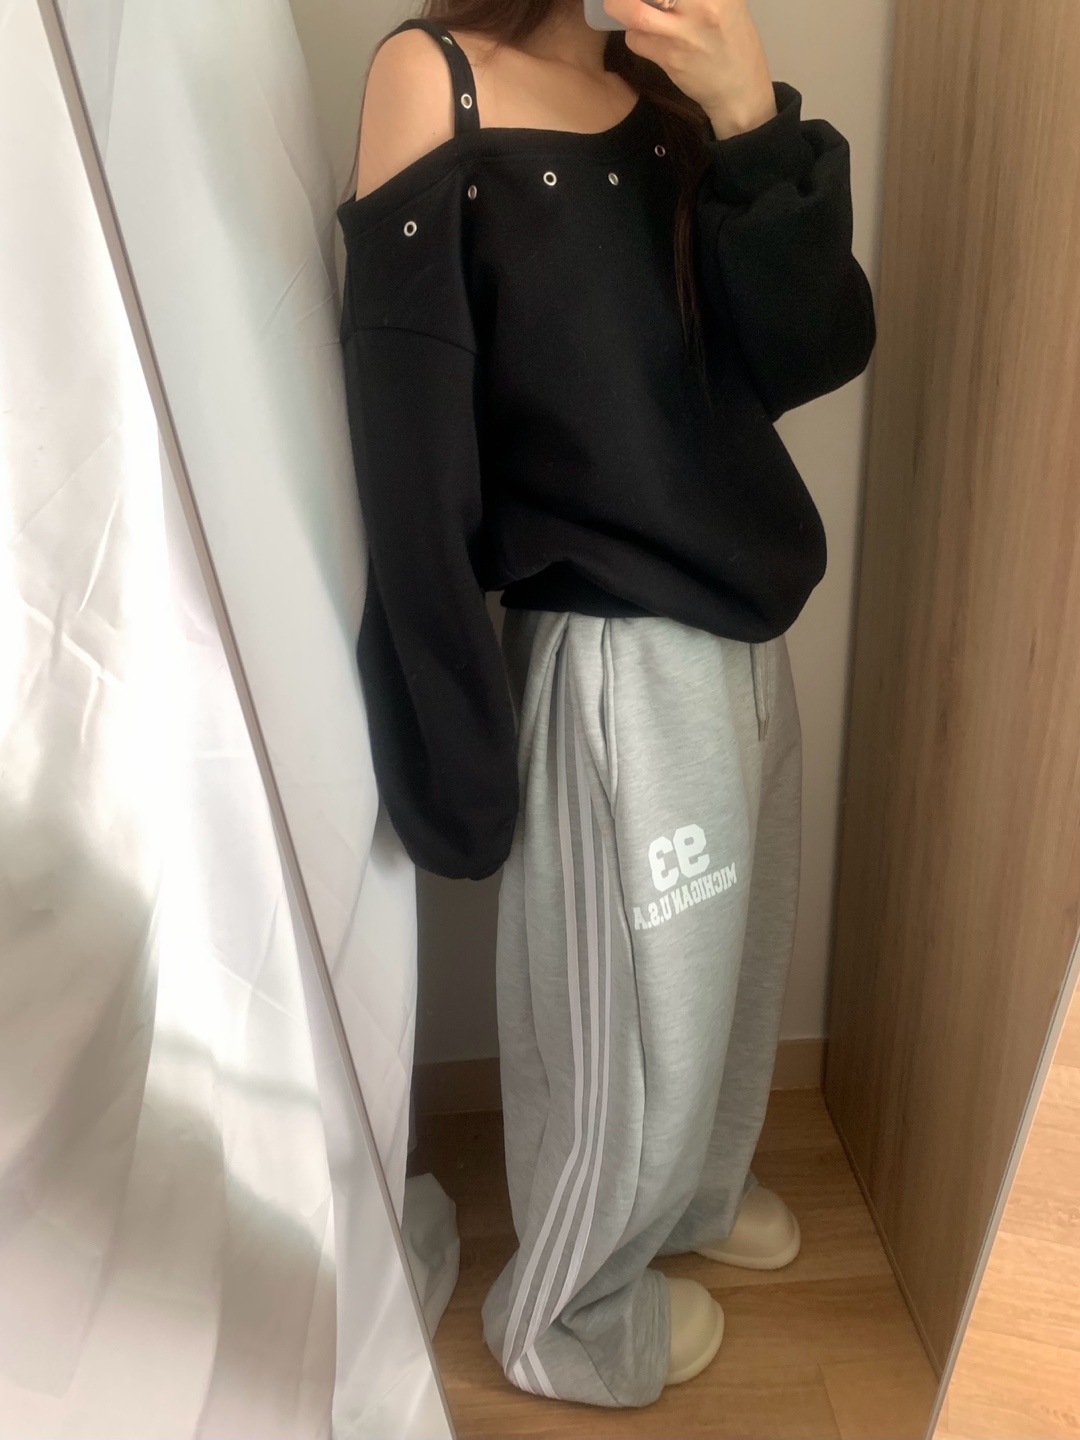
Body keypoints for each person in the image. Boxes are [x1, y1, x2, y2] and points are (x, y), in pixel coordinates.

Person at [337, 0, 875, 1409]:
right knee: (632, 1025)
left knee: (730, 982)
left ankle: (692, 1200)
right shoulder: (435, 80)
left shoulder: (685, 92)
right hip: (614, 651)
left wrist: (750, 120)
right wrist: (448, 721)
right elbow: (409, 448)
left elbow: (812, 353)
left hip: (747, 621)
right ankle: (568, 1319)